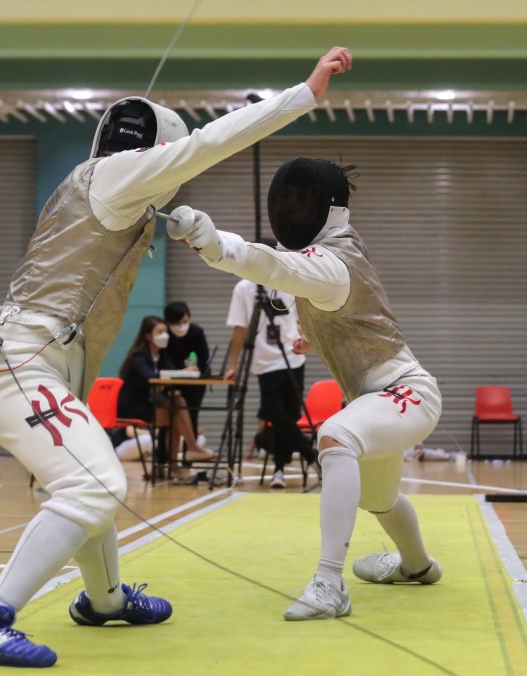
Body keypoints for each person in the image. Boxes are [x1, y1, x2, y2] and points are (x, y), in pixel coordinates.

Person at [0, 47, 353, 667]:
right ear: (152, 153)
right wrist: (305, 92)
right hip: (25, 365)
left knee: (89, 475)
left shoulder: (90, 185)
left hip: (40, 364)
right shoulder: (115, 179)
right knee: (95, 482)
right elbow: (212, 142)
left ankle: (104, 600)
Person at [166, 155, 442, 622]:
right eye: (286, 199)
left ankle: (330, 583)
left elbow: (275, 266)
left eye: (302, 200)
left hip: (405, 391)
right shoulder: (335, 248)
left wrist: (214, 244)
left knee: (335, 438)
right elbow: (293, 279)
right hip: (377, 397)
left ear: (326, 207)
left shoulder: (332, 263)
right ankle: (417, 566)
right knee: (378, 498)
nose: (292, 208)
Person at [225, 278, 317, 488]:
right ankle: (313, 456)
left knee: (290, 416)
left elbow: (302, 318)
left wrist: (306, 341)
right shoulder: (245, 288)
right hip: (265, 362)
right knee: (275, 414)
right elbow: (240, 329)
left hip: (293, 358)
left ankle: (279, 470)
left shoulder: (289, 281)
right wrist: (235, 365)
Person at [118, 316, 213, 480]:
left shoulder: (163, 356)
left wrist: (186, 370)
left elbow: (170, 375)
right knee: (175, 410)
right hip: (135, 407)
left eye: (166, 332)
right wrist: (174, 376)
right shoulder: (138, 356)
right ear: (148, 336)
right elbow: (149, 377)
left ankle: (175, 461)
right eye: (160, 332)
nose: (165, 336)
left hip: (155, 404)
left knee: (177, 404)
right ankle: (185, 454)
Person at [162, 301, 211, 431]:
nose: (181, 326)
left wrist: (195, 368)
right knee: (169, 415)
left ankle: (191, 448)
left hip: (195, 380)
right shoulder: (164, 334)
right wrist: (180, 370)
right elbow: (164, 358)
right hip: (171, 379)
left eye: (184, 321)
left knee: (192, 414)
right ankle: (166, 450)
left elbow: (204, 356)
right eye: (176, 323)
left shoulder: (196, 332)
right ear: (168, 322)